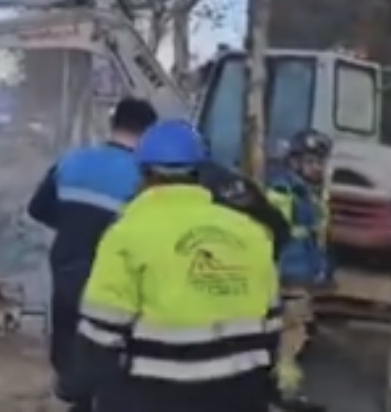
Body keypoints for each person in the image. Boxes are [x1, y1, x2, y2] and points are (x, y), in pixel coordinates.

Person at [71, 119, 281, 412]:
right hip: (241, 394)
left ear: (145, 174)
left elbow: (99, 336)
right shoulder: (250, 232)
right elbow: (272, 328)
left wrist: (78, 391)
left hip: (157, 396)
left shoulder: (128, 233)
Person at [26, 96, 158, 411]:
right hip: (113, 287)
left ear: (113, 125)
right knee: (111, 368)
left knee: (70, 363)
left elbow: (37, 209)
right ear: (149, 135)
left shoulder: (71, 161)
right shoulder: (146, 179)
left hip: (67, 273)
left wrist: (73, 227)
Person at [266, 129, 334, 412]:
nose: (316, 168)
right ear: (293, 161)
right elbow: (281, 231)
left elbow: (315, 235)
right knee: (292, 331)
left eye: (319, 161)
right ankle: (285, 392)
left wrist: (322, 268)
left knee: (292, 329)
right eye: (310, 161)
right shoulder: (286, 190)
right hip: (290, 272)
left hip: (300, 271)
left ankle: (280, 387)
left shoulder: (305, 191)